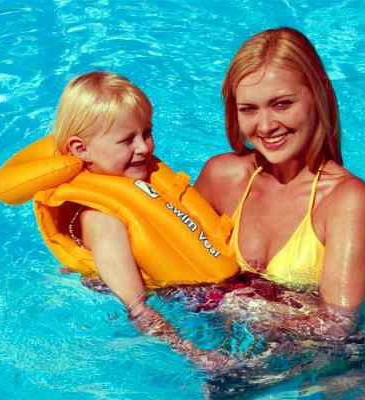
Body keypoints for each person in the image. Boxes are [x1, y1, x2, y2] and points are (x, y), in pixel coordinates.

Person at [44, 71, 233, 370]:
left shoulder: (145, 184)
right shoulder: (101, 219)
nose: (144, 147)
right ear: (81, 149)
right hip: (193, 301)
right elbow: (137, 307)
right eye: (127, 140)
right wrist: (198, 357)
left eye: (147, 132)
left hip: (212, 290)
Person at [195, 27, 365, 337]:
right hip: (225, 354)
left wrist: (244, 308)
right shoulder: (222, 178)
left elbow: (337, 328)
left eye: (282, 104)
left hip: (315, 366)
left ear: (318, 95)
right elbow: (173, 258)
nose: (265, 126)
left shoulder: (345, 201)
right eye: (249, 109)